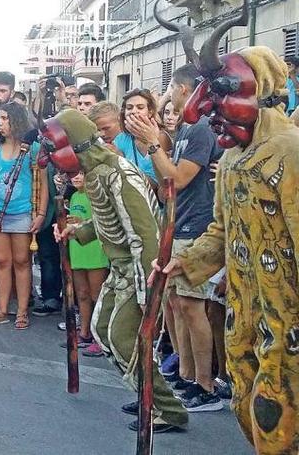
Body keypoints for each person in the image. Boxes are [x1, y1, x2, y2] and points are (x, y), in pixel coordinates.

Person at [156, 34, 299, 452]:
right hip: (245, 310)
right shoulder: (234, 158)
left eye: (220, 93)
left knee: (278, 410)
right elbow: (223, 228)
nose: (202, 109)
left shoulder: (290, 153)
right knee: (247, 402)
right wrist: (187, 262)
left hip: (288, 317)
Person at [47, 109, 188, 433]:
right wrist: (78, 231)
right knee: (102, 330)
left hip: (139, 269)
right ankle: (146, 394)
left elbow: (145, 235)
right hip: (123, 268)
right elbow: (111, 220)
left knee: (122, 337)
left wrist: (146, 292)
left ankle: (166, 408)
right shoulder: (97, 173)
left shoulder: (118, 174)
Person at [126, 62, 224, 412]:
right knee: (177, 306)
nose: (167, 97)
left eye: (172, 89)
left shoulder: (199, 130)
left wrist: (154, 144)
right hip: (178, 222)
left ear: (183, 90)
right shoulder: (184, 127)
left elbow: (177, 179)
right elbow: (165, 180)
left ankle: (205, 385)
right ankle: (184, 374)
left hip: (196, 227)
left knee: (193, 307)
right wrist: (152, 136)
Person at [0, 102, 46, 329]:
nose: (0, 123)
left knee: (22, 261)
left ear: (15, 121)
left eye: (5, 119)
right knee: (3, 261)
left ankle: (22, 311)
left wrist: (41, 213)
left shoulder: (33, 148)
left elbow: (43, 184)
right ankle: (3, 309)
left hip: (22, 211)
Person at [64, 171, 108, 356]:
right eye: (73, 174)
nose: (77, 177)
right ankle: (84, 332)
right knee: (81, 293)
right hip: (77, 249)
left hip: (95, 250)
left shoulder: (97, 195)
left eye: (81, 173)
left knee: (97, 294)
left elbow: (102, 221)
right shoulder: (74, 196)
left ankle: (100, 338)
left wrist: (83, 223)